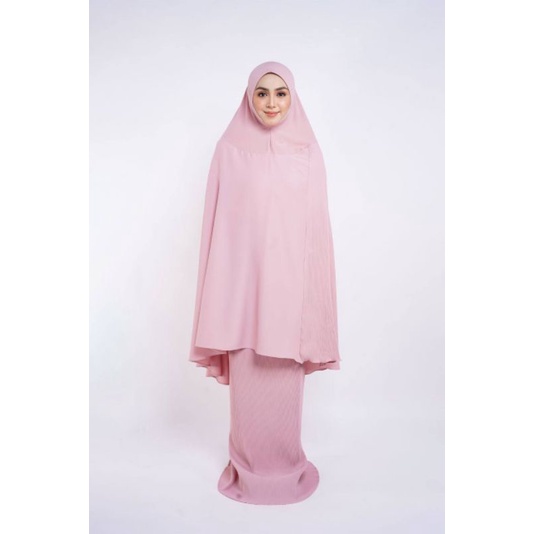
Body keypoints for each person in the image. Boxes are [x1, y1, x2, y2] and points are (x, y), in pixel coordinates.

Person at [189, 61, 341, 505]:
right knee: (249, 394)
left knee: (283, 393)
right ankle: (247, 470)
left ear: (292, 98)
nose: (271, 103)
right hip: (244, 301)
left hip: (289, 303)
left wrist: (311, 305)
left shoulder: (308, 151)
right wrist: (227, 295)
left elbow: (317, 235)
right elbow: (220, 229)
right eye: (262, 93)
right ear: (249, 98)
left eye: (280, 93)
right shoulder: (229, 150)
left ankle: (285, 469)